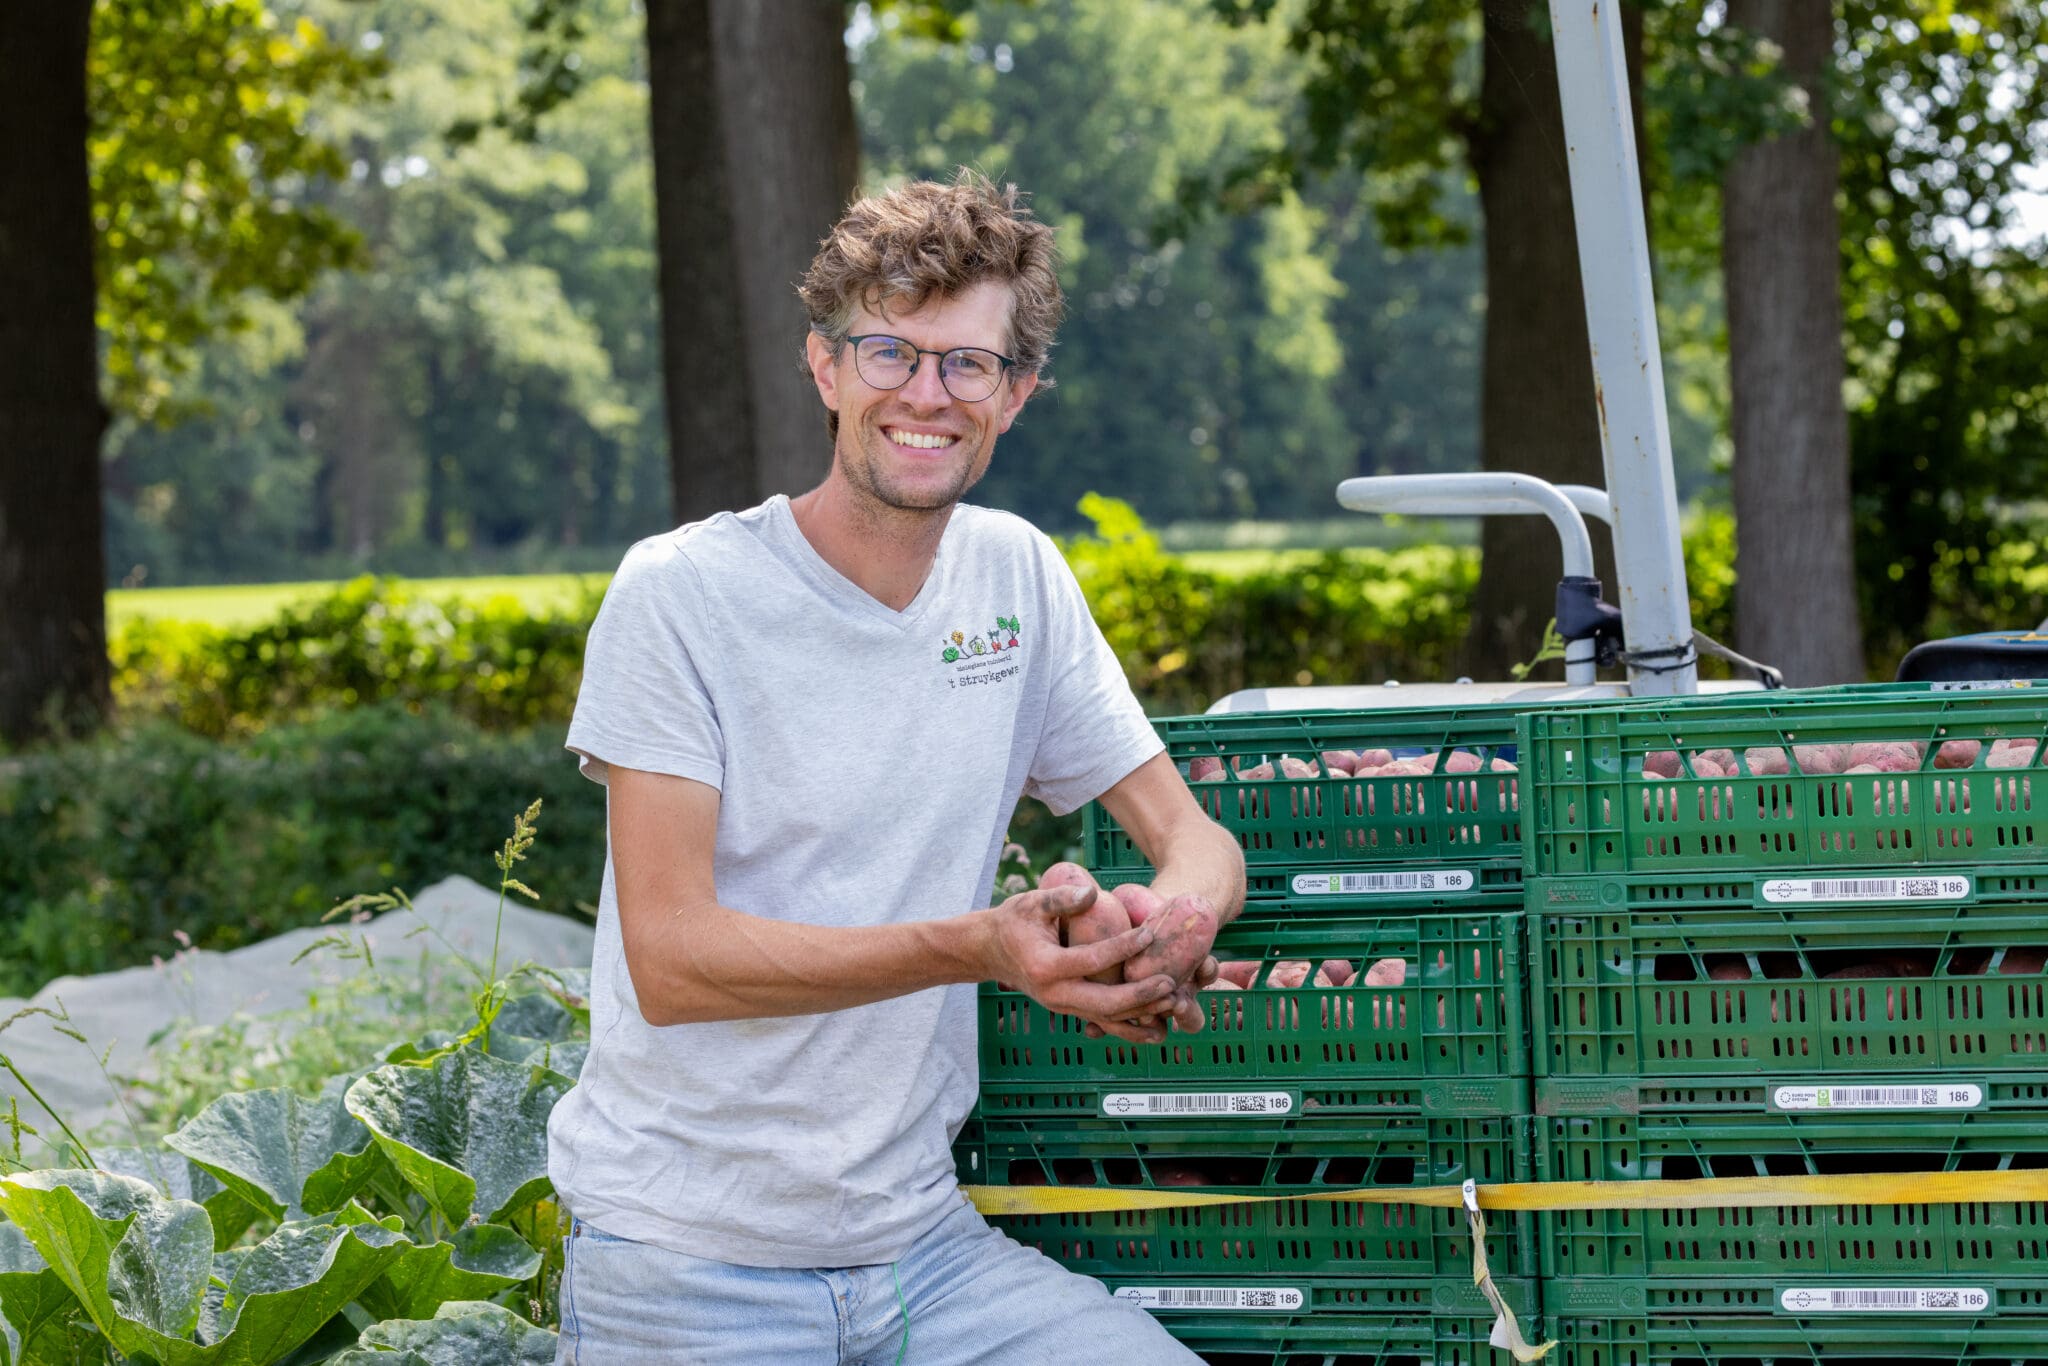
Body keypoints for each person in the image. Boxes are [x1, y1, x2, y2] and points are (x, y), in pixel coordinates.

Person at [548, 169, 1246, 1364]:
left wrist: (1163, 930)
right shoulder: (680, 596)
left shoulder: (1015, 580)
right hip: (686, 1268)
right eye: (889, 352)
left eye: (966, 364)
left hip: (924, 1254)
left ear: (1013, 396)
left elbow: (1195, 839)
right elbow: (671, 960)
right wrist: (981, 945)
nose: (926, 393)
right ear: (825, 369)